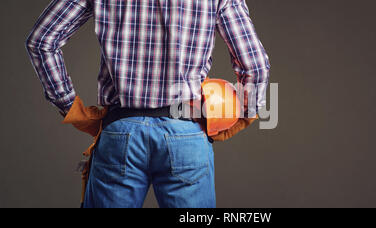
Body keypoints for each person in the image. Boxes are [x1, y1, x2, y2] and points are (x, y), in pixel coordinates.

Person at [25, 0, 270, 208]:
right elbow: (256, 66)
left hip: (120, 132)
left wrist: (71, 108)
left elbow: (41, 41)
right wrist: (245, 115)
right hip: (186, 135)